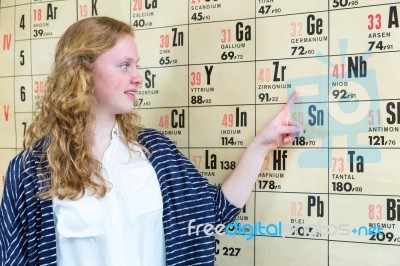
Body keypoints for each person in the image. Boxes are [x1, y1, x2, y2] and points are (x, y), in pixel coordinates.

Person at [0, 17, 302, 266]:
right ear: (83, 72)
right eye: (124, 65)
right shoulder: (29, 171)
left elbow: (215, 211)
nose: (138, 78)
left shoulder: (154, 151)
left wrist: (262, 144)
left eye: (137, 65)